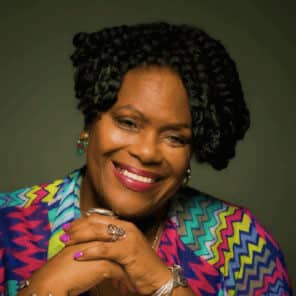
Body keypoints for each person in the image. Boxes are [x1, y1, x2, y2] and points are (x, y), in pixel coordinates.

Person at [0, 22, 292, 296]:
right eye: (128, 123)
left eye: (175, 138)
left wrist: (161, 282)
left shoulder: (237, 244)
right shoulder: (7, 227)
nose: (148, 152)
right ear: (89, 124)